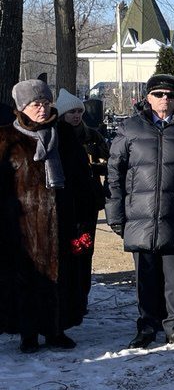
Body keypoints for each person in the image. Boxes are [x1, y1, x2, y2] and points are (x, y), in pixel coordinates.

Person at [105, 73, 174, 349]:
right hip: (139, 215)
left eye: (170, 95)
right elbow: (115, 174)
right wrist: (115, 215)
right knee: (145, 276)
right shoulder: (130, 128)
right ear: (148, 97)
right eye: (158, 94)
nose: (165, 99)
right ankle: (146, 326)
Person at [0, 80, 88, 352]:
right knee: (25, 279)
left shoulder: (64, 135)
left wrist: (82, 217)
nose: (42, 108)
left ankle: (55, 330)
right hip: (21, 226)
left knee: (61, 277)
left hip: (62, 221)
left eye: (46, 103)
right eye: (35, 104)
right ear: (21, 107)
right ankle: (27, 333)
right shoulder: (7, 138)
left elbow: (80, 178)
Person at [55, 89, 110, 318]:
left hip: (88, 202)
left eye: (79, 111)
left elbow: (108, 162)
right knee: (66, 253)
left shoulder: (92, 135)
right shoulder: (55, 136)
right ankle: (65, 298)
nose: (76, 116)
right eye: (71, 112)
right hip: (64, 202)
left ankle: (82, 298)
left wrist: (95, 167)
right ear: (62, 114)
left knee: (85, 250)